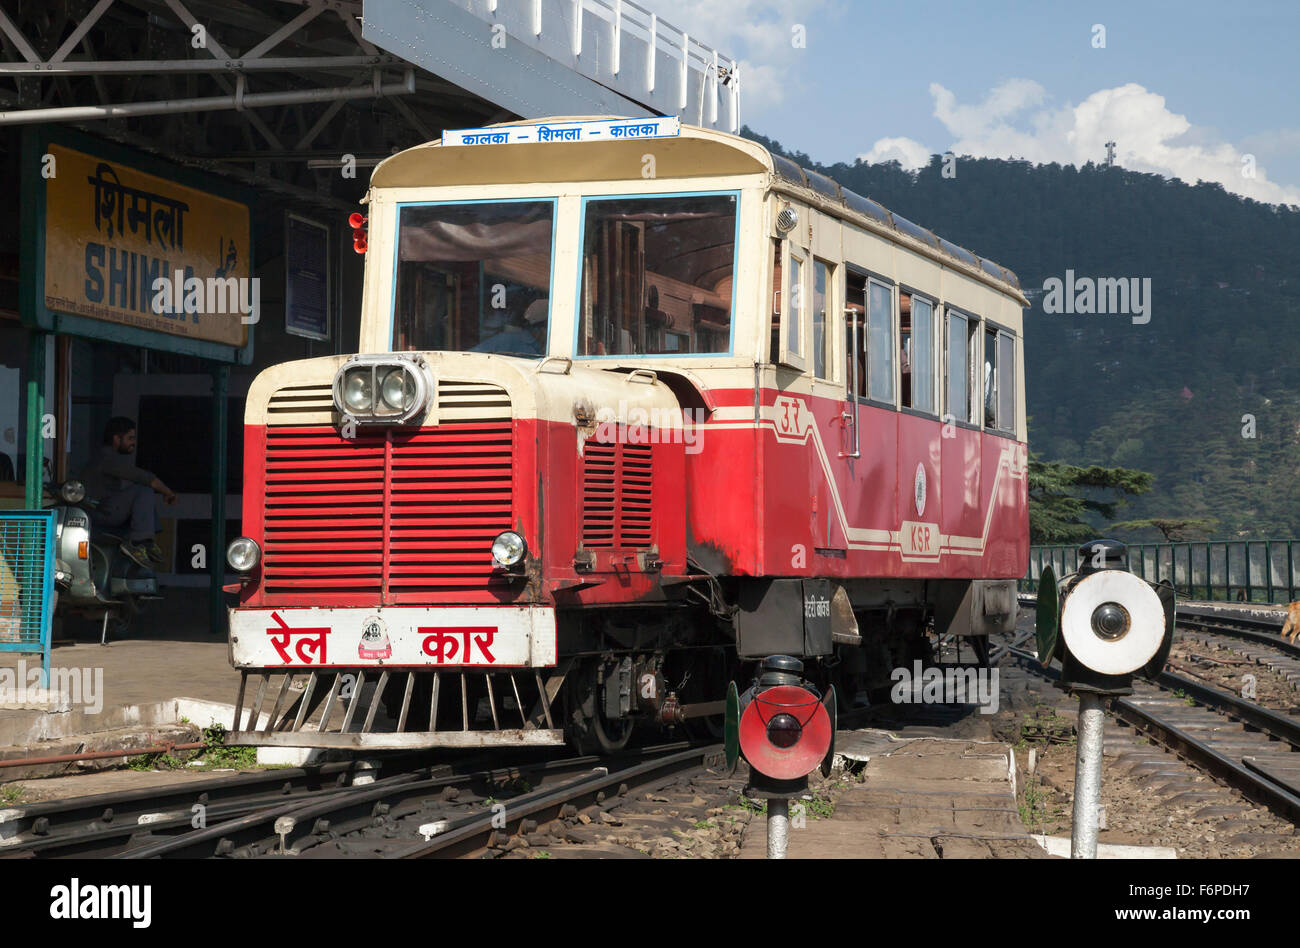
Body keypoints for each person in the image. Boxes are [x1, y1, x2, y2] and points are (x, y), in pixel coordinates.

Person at [80, 417, 177, 569]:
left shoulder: (107, 457)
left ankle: (147, 541)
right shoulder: (106, 457)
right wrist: (167, 492)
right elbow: (143, 477)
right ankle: (138, 542)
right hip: (99, 512)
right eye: (130, 438)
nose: (133, 442)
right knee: (143, 489)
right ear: (116, 439)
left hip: (104, 510)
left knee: (141, 494)